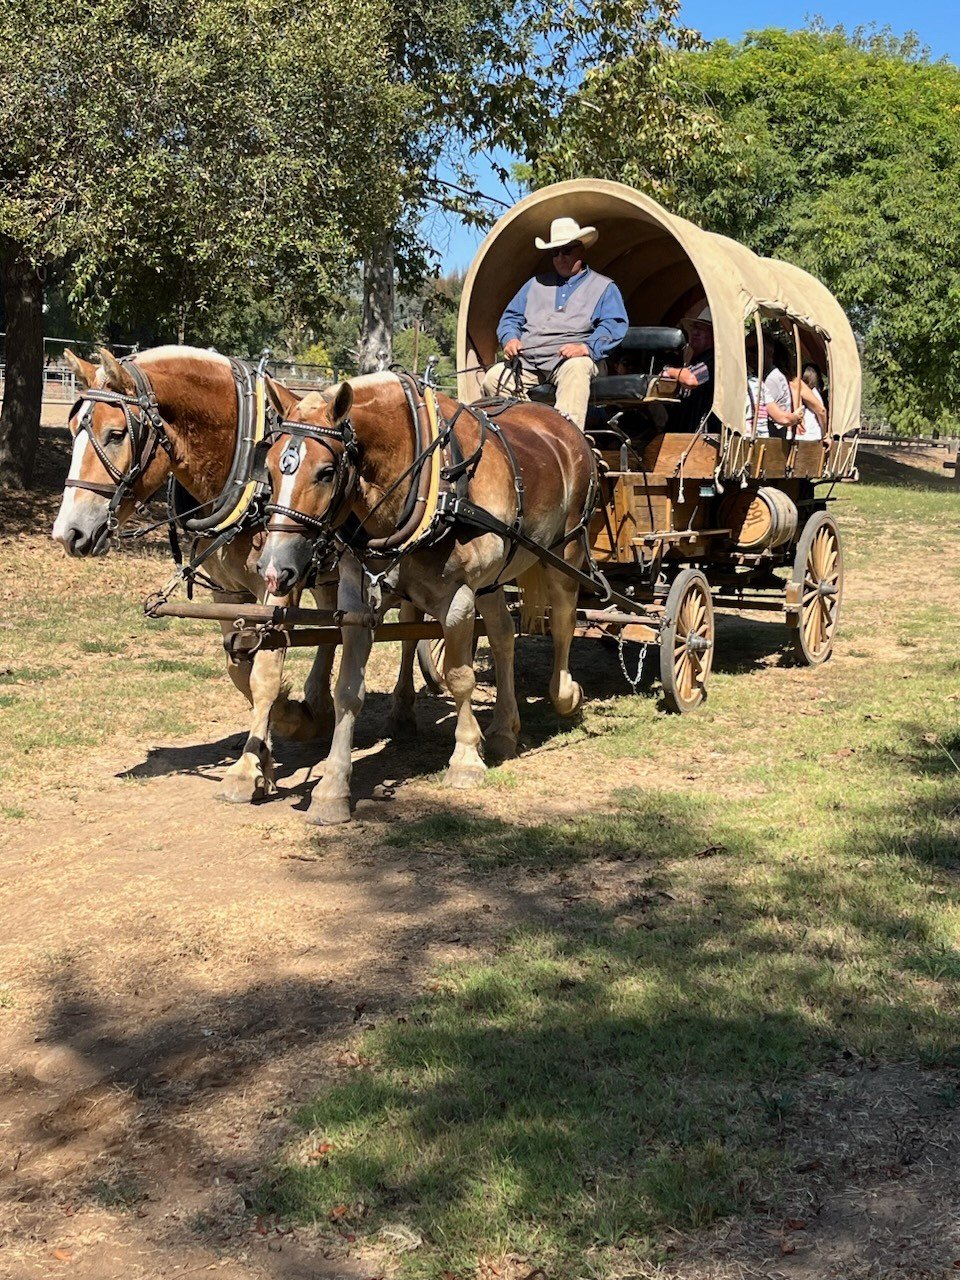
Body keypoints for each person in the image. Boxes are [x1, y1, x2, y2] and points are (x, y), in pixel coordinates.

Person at [480, 216, 628, 430]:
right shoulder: (534, 285)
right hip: (530, 363)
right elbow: (510, 318)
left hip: (575, 362)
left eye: (567, 250)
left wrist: (585, 348)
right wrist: (510, 338)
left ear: (581, 250)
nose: (561, 257)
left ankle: (568, 439)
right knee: (493, 378)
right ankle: (529, 431)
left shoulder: (604, 287)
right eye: (555, 252)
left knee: (576, 369)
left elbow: (613, 325)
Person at [662, 305, 715, 431]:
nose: (695, 333)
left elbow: (692, 379)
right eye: (694, 328)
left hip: (701, 439)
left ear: (714, 335)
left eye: (701, 330)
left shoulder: (713, 359)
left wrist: (669, 371)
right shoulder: (697, 360)